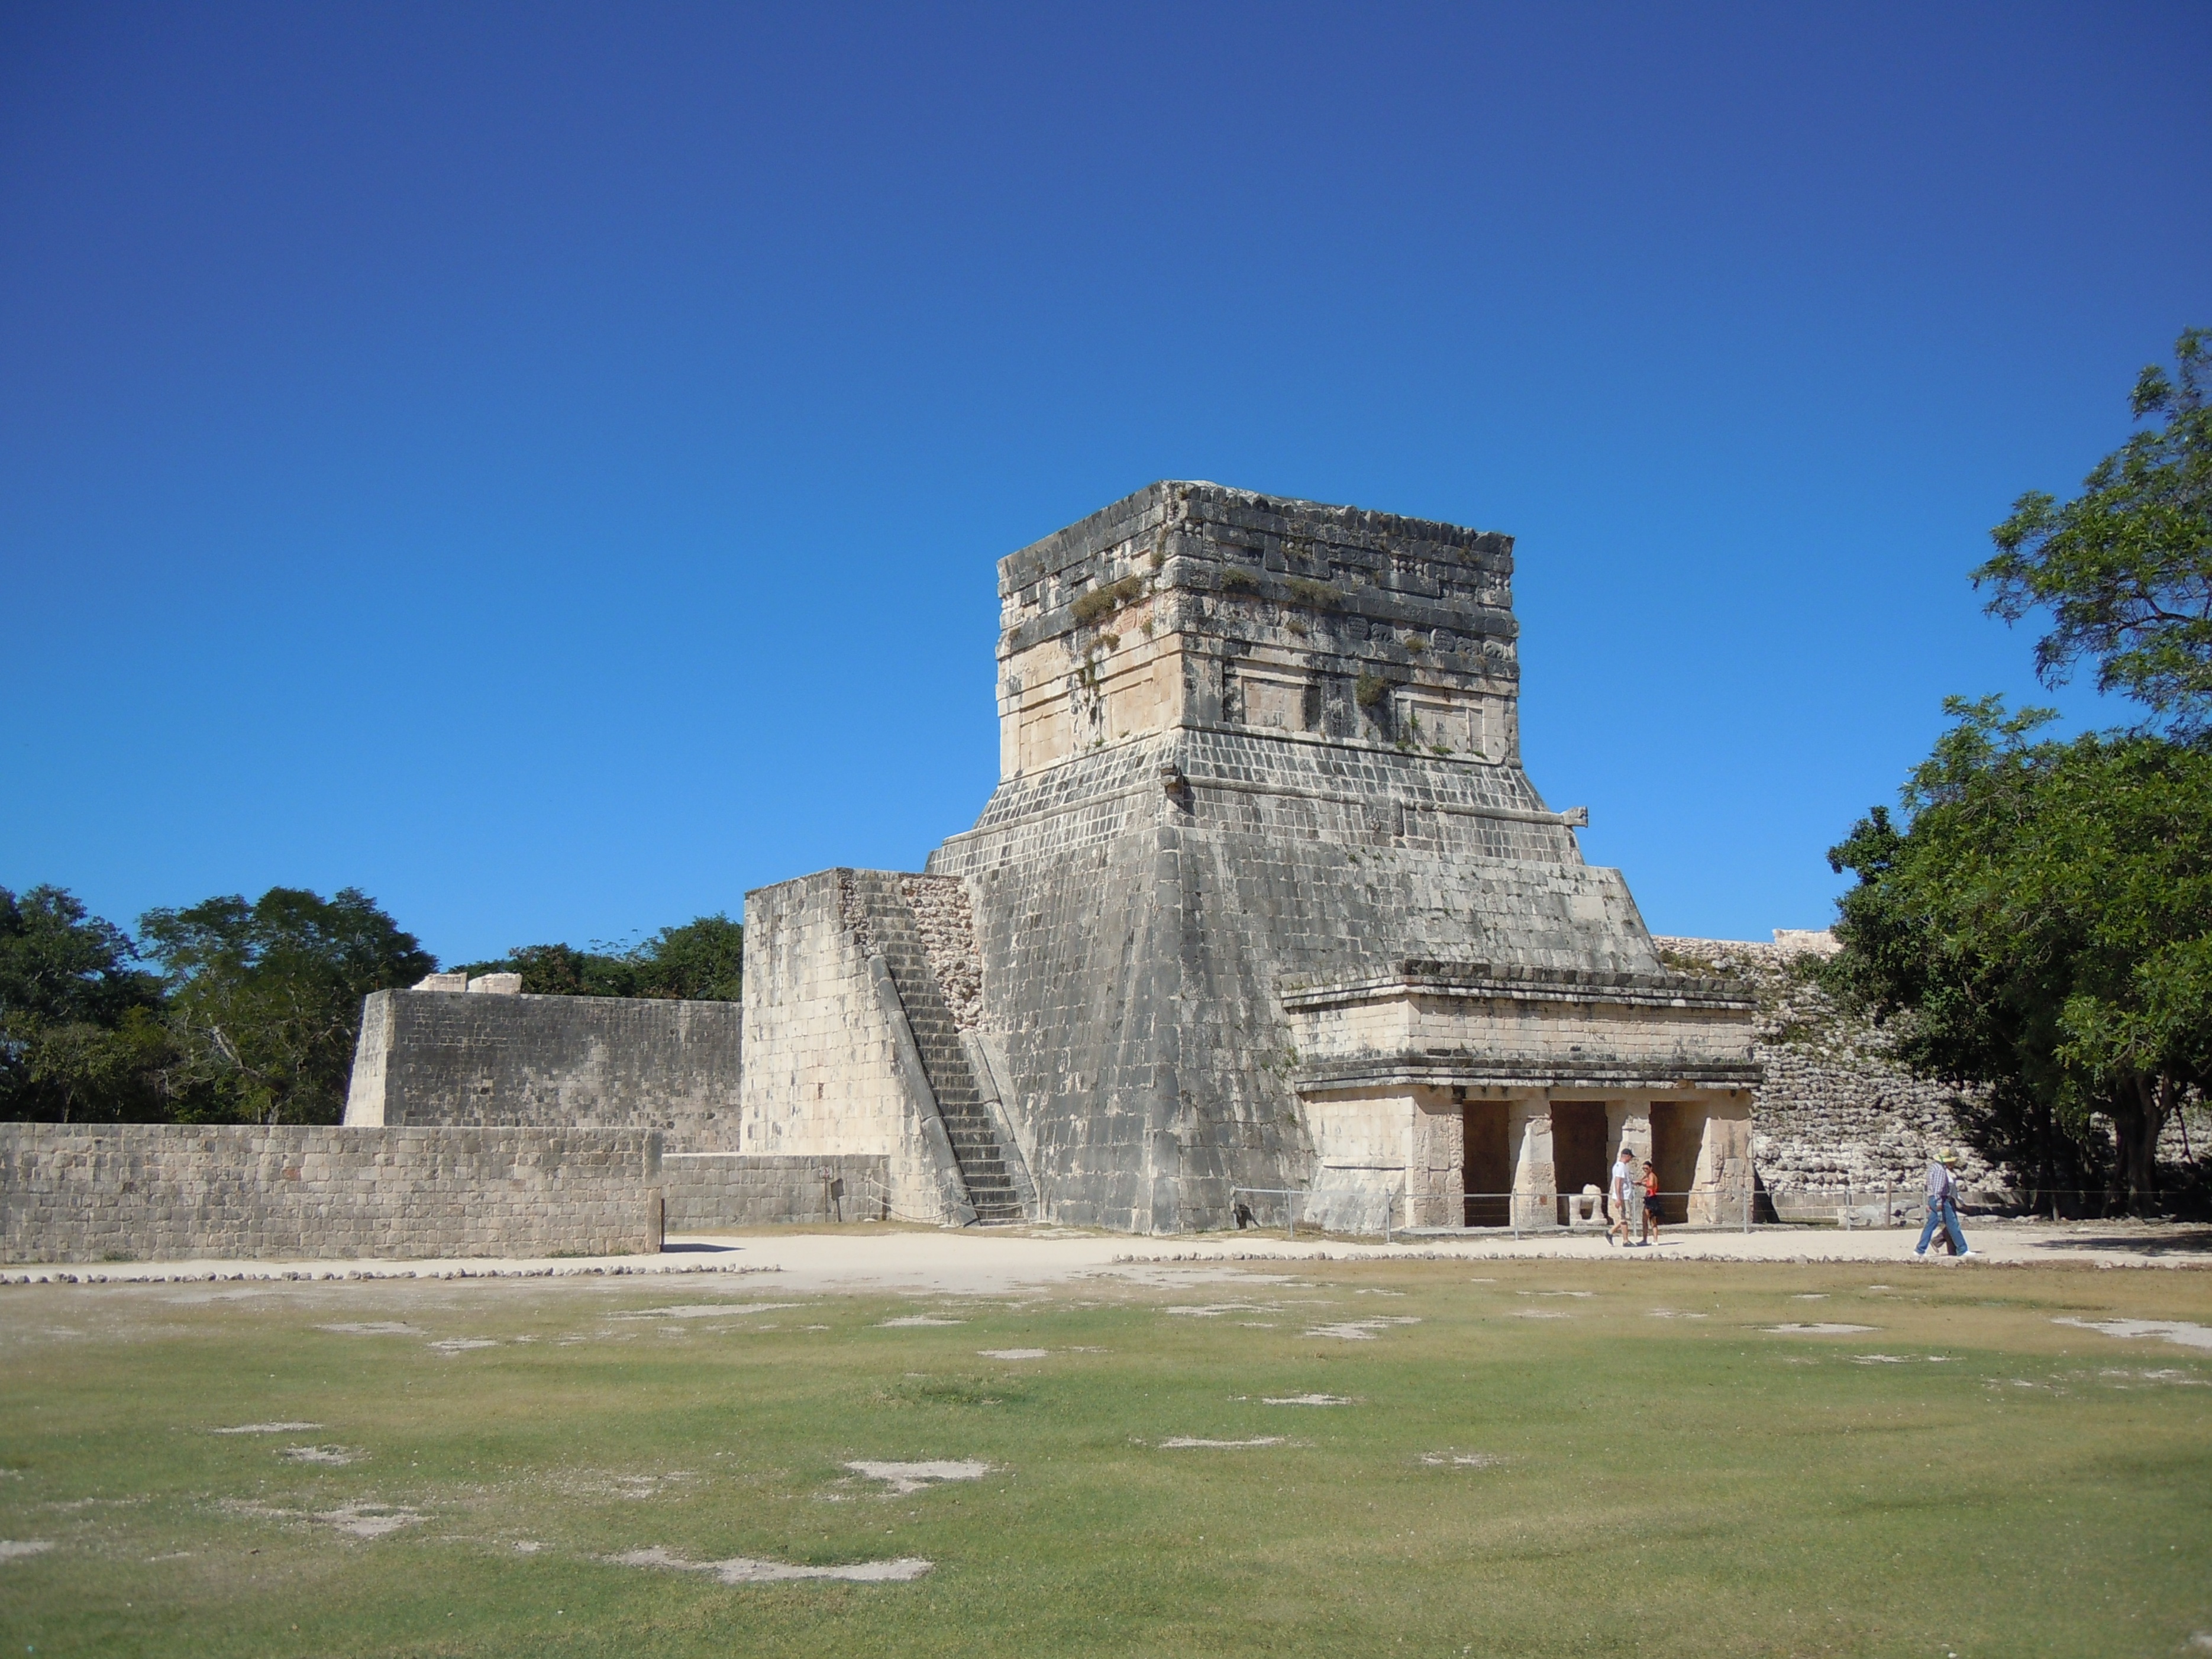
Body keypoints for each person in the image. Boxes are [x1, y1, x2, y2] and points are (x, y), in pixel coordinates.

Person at [1913, 1150, 1975, 1259]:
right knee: (1953, 1224)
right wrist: (1939, 1202)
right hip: (1942, 1199)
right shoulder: (1941, 1170)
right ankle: (1962, 1249)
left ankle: (1920, 1249)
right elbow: (1938, 1189)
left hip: (1933, 1198)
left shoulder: (1933, 1168)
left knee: (1931, 1225)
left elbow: (1930, 1186)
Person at [1608, 1146, 1638, 1247]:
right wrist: (1619, 1198)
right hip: (1622, 1197)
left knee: (1624, 1218)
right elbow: (1618, 1182)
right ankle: (1619, 1237)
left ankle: (1622, 1238)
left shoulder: (1619, 1166)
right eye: (1631, 1157)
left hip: (1623, 1196)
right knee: (1625, 1218)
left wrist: (1633, 1183)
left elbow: (1624, 1181)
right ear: (1627, 1156)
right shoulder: (1621, 1167)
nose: (1631, 1160)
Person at [1639, 1158, 1662, 1247]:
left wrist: (1642, 1184)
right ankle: (1649, 1240)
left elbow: (1651, 1185)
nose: (1645, 1170)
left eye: (1646, 1168)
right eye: (1644, 1169)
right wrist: (1641, 1180)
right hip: (1650, 1199)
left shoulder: (1652, 1176)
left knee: (1650, 1221)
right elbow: (1643, 1180)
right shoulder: (1649, 1176)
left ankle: (1651, 1240)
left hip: (1651, 1199)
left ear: (1650, 1168)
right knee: (1647, 1220)